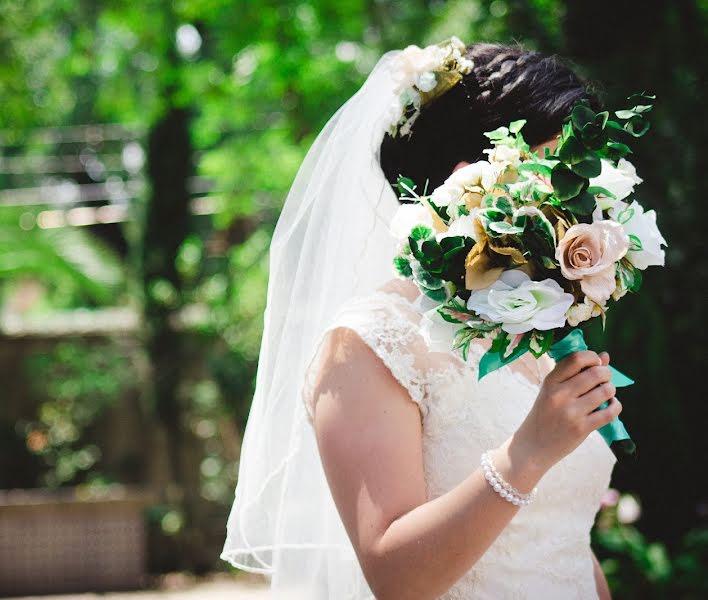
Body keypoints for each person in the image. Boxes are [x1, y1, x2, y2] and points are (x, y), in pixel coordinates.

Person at [220, 39, 619, 599]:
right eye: (555, 168)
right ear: (475, 178)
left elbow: (564, 545)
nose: (579, 197)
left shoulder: (534, 330)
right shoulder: (367, 344)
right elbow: (395, 577)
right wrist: (527, 451)